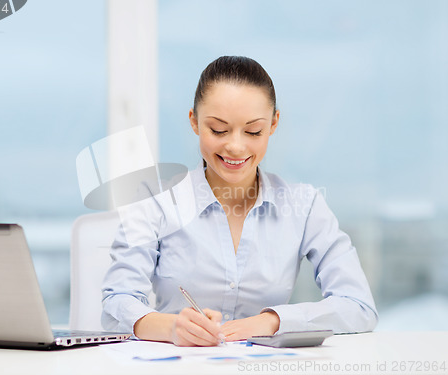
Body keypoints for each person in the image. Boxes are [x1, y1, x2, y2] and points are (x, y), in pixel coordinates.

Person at [101, 56, 378, 347]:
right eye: (218, 130)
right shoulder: (154, 202)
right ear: (194, 121)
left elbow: (358, 306)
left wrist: (272, 322)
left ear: (273, 124)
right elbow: (117, 301)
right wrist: (170, 327)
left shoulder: (304, 206)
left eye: (253, 131)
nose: (235, 146)